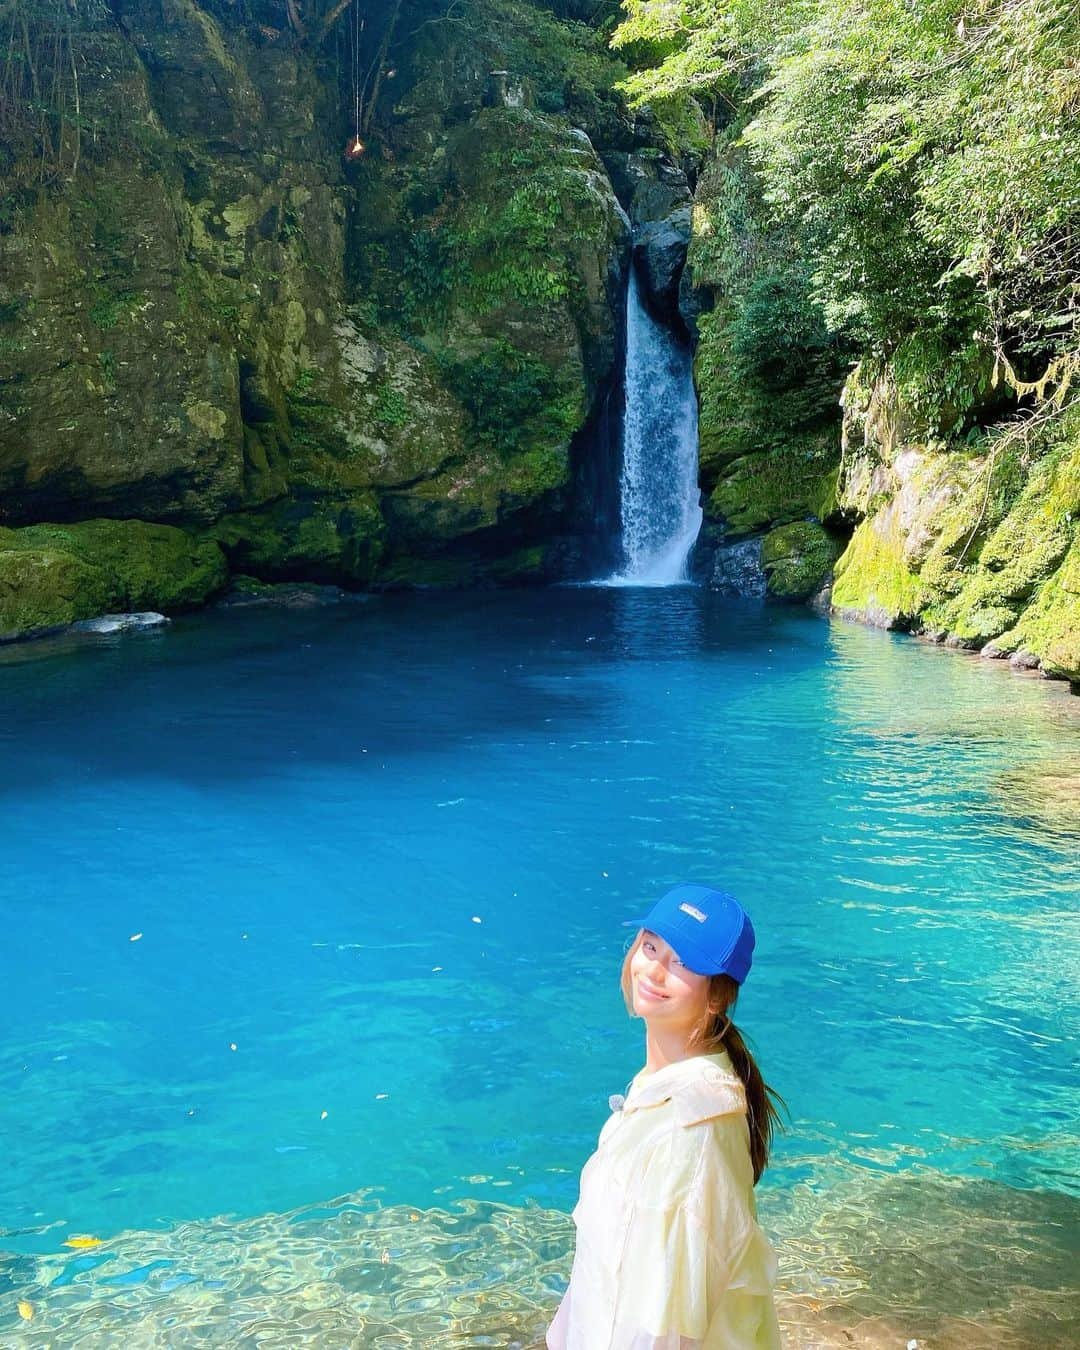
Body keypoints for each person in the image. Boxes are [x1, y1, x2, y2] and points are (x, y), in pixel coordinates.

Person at [546, 883, 783, 1350]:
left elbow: (665, 1326)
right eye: (651, 946)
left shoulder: (688, 1128)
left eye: (682, 963)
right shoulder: (673, 1084)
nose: (652, 969)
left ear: (716, 998)